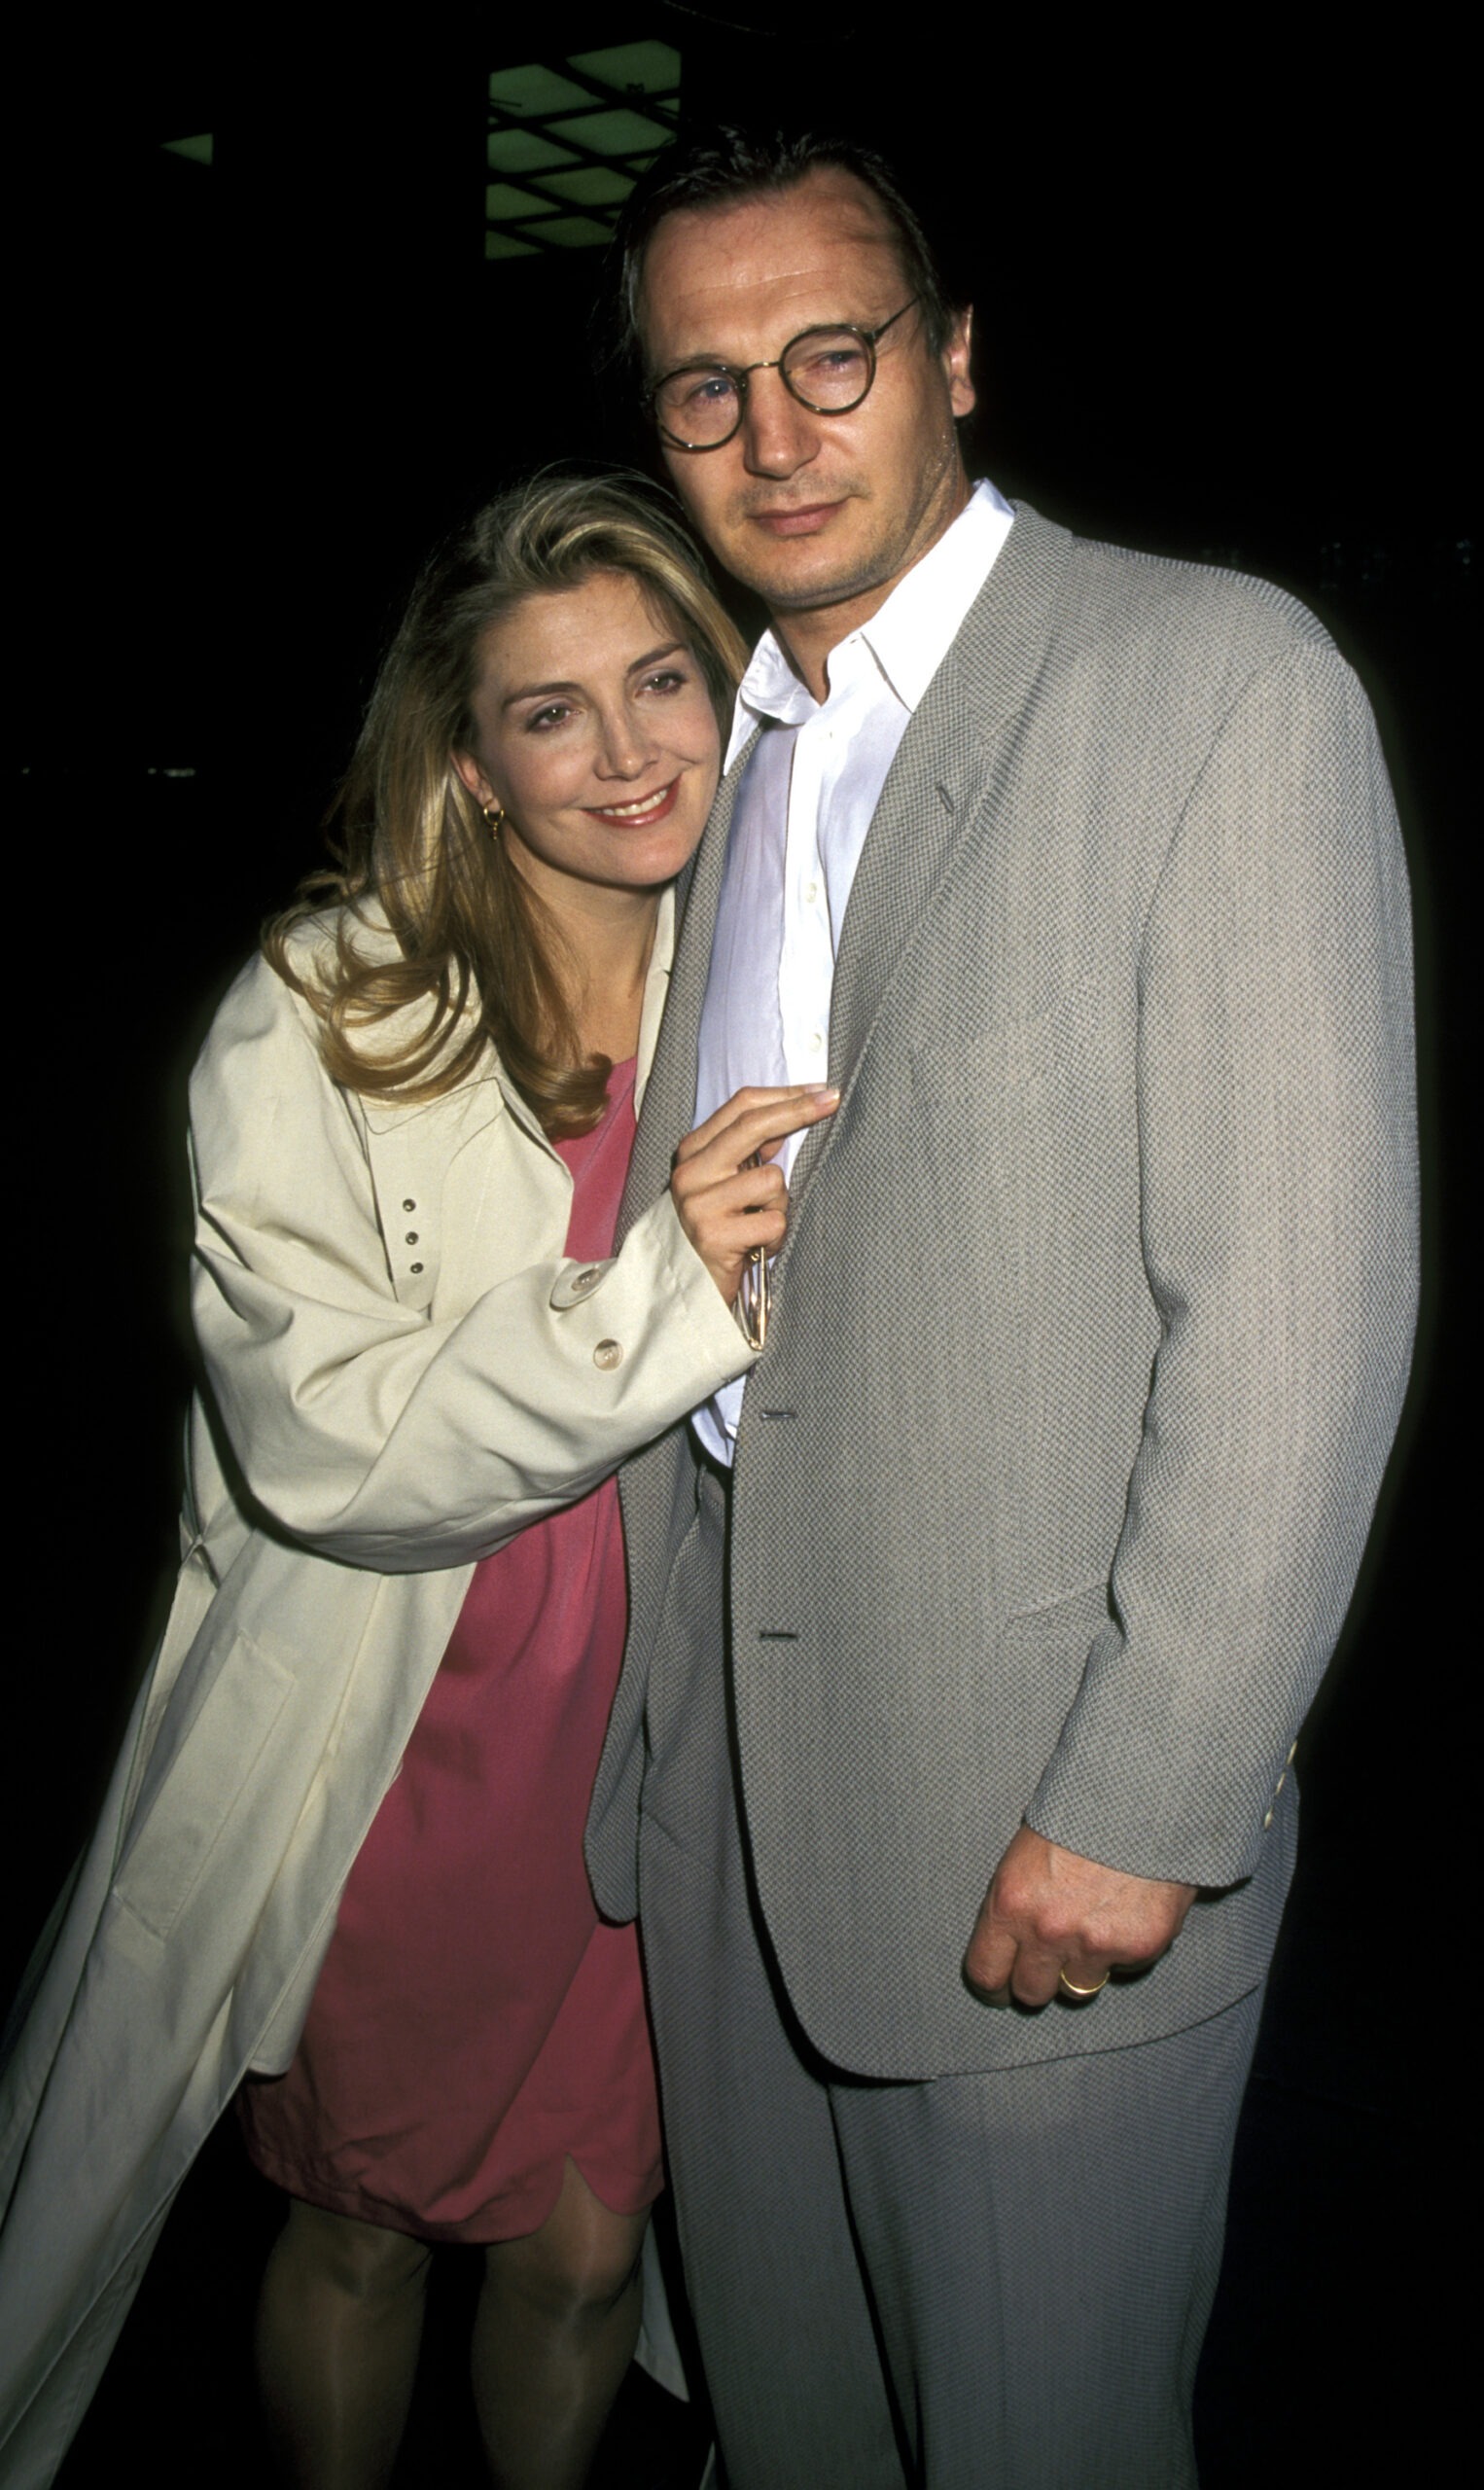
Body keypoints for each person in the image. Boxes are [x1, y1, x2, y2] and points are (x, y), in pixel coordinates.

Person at [583, 129, 1421, 2488]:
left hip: (1034, 1839)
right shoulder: (717, 761)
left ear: (947, 355)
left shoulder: (1207, 681)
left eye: (829, 355)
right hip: (731, 1843)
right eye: (703, 386)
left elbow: (1301, 1306)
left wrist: (1144, 1796)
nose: (773, 431)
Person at [0, 470, 838, 2489]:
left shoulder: (784, 965)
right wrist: (654, 1292)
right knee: (362, 2220)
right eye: (552, 710)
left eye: (665, 680)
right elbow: (324, 1437)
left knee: (582, 2239)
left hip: (674, 1731)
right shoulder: (329, 1006)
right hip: (414, 1728)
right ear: (465, 760)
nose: (630, 752)